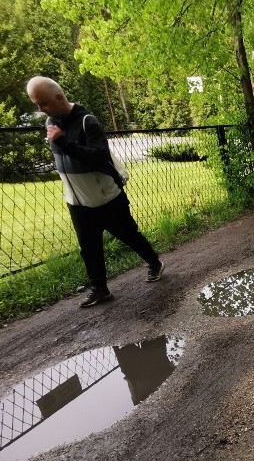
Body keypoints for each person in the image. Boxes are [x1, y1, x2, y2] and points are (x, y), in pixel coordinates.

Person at [26, 76, 164, 308]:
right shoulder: (51, 122)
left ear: (59, 97)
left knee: (129, 235)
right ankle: (100, 289)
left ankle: (154, 263)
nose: (40, 110)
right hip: (76, 201)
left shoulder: (87, 122)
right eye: (36, 104)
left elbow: (98, 156)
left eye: (44, 103)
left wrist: (64, 143)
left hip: (106, 198)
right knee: (89, 248)